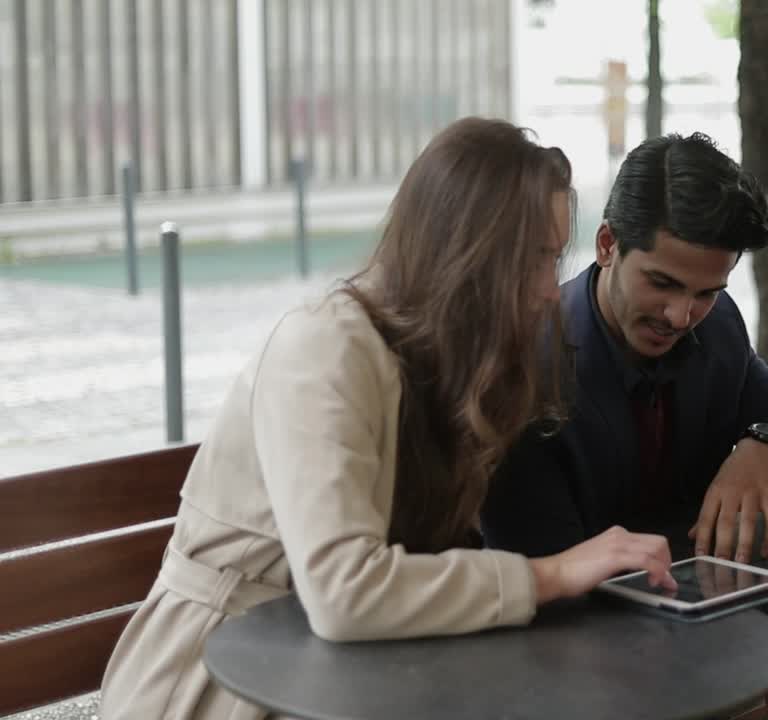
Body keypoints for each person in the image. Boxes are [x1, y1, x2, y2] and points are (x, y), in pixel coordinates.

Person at [99, 118, 676, 720]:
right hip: (218, 686)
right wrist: (551, 575)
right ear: (465, 252)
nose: (547, 290)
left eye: (553, 259)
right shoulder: (325, 346)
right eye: (533, 260)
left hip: (341, 676)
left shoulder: (451, 361)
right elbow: (345, 593)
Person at [481, 131, 768, 720]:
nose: (681, 316)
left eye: (706, 291)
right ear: (606, 244)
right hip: (580, 639)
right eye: (663, 284)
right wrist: (733, 659)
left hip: (706, 604)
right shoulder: (526, 370)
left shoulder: (715, 327)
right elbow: (551, 597)